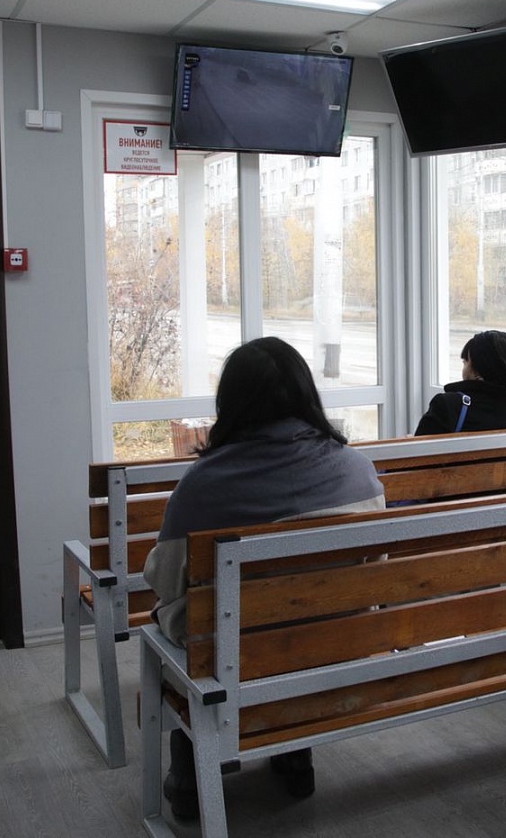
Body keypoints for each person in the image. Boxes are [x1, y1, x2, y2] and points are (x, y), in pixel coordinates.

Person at [143, 336, 386, 820]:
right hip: (336, 642)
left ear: (231, 403)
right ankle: (295, 757)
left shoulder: (202, 486)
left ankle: (190, 776)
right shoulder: (358, 470)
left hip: (233, 654)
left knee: (180, 629)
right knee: (292, 629)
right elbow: (375, 567)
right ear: (306, 395)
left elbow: (165, 581)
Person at [415, 330, 506, 435]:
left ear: (477, 372)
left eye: (465, 363)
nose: (463, 369)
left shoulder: (447, 406)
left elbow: (416, 454)